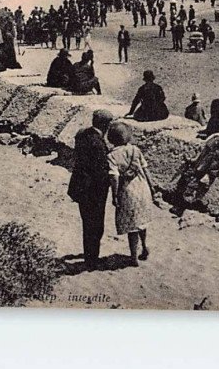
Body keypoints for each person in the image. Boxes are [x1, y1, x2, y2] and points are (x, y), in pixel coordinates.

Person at [107, 121, 160, 267]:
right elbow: (146, 169)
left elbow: (114, 177)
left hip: (127, 191)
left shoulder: (112, 155)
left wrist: (115, 195)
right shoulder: (136, 150)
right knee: (141, 222)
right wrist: (152, 187)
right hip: (142, 187)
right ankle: (144, 246)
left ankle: (133, 256)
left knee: (132, 226)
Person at [67, 109, 114, 271]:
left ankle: (89, 254)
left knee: (87, 222)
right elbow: (100, 172)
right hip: (93, 191)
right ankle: (91, 260)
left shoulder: (82, 135)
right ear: (106, 125)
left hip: (79, 186)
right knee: (95, 225)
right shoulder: (98, 144)